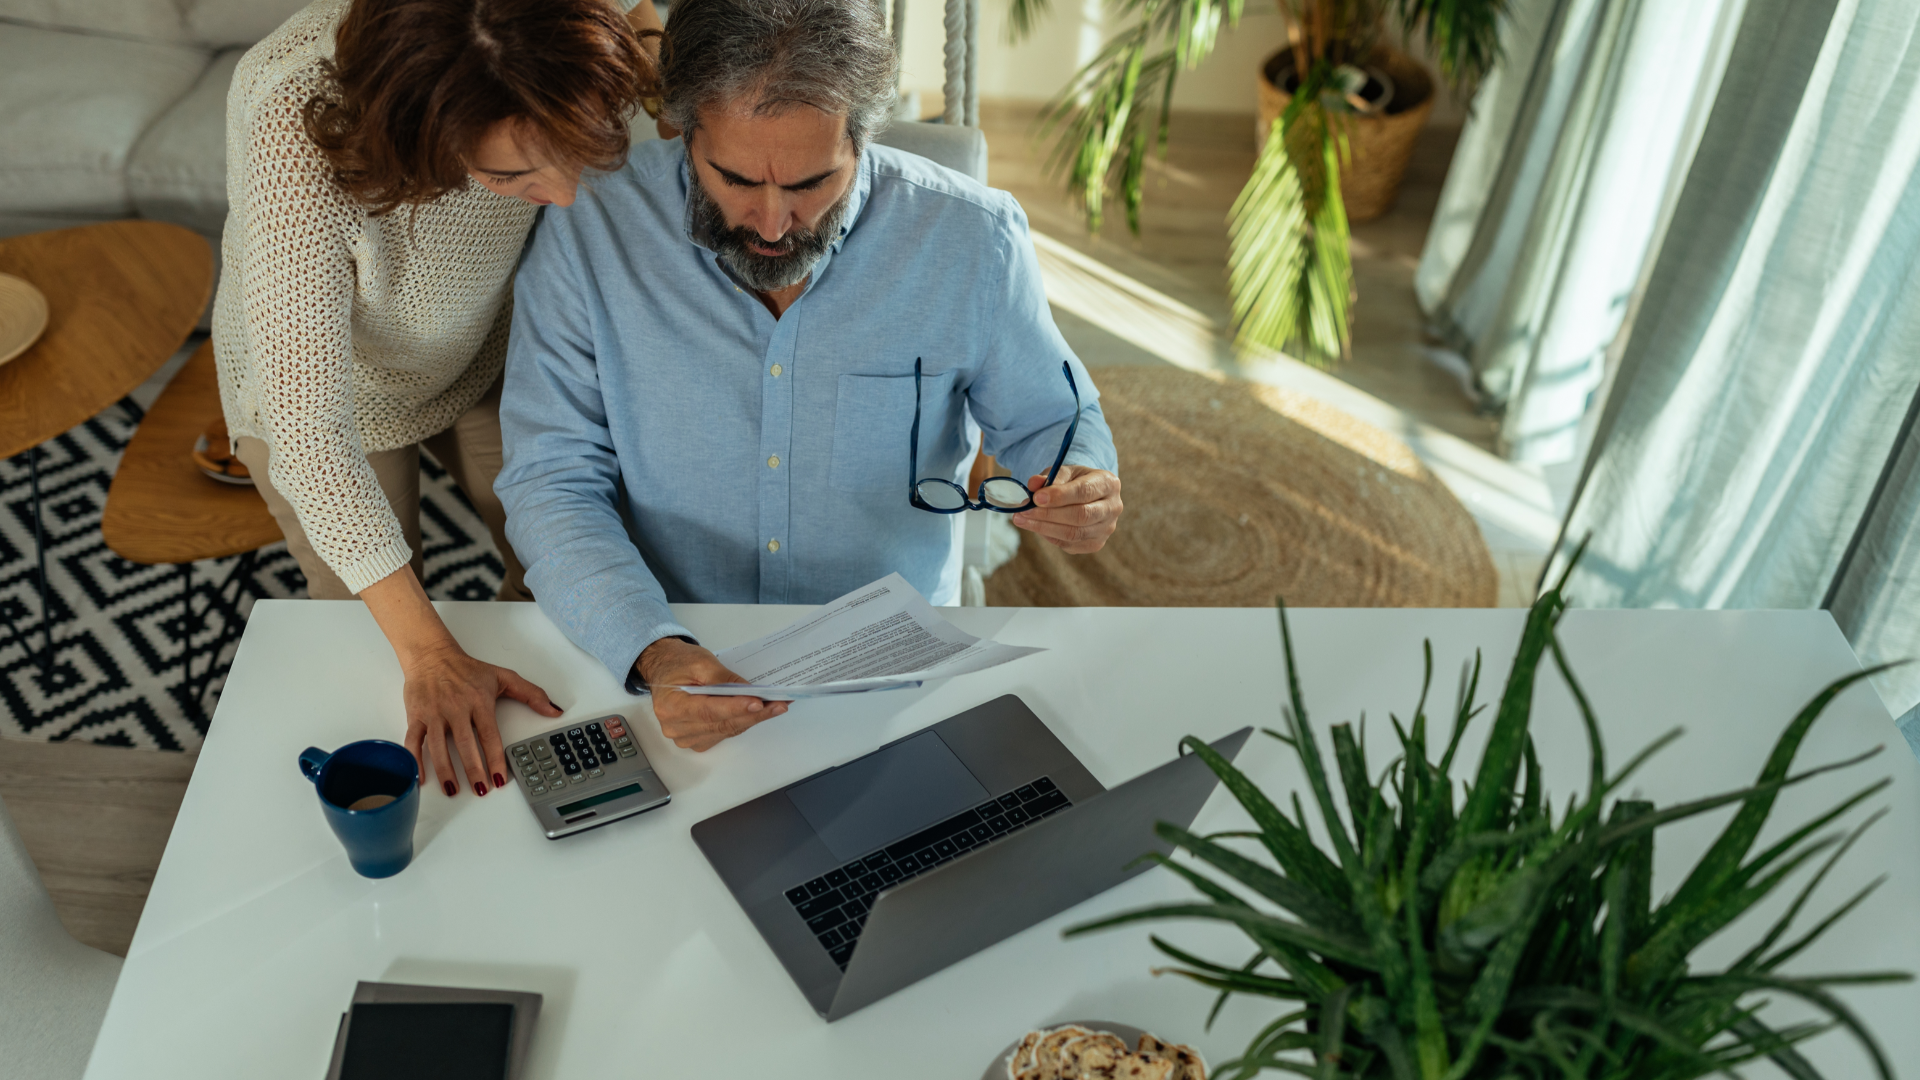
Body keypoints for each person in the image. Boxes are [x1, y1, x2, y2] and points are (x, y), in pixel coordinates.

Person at [495, 0, 1125, 755]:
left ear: (862, 138)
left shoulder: (971, 239)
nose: (769, 223)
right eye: (733, 179)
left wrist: (1081, 480)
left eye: (809, 184)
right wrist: (654, 649)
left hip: (895, 674)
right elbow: (550, 478)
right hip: (670, 654)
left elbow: (1053, 419)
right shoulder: (589, 227)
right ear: (681, 128)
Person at [211, 0, 661, 798]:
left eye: (571, 153)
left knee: (560, 567)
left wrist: (646, 54)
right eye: (511, 174)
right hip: (331, 398)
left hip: (485, 350)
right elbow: (309, 436)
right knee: (385, 640)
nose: (561, 196)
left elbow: (641, 16)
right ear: (417, 134)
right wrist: (429, 654)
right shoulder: (294, 122)